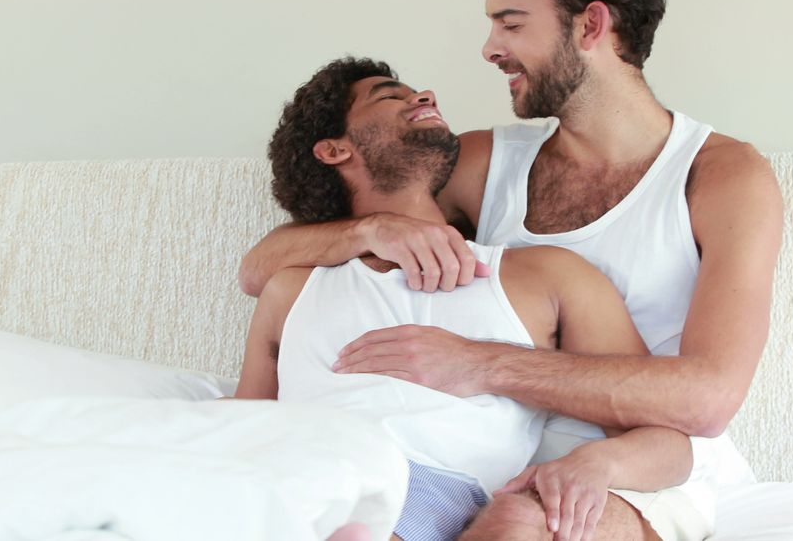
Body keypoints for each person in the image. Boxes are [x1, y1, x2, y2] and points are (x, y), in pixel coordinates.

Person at [235, 57, 697, 541]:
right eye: (389, 95)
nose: (424, 96)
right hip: (296, 474)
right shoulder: (292, 288)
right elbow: (244, 423)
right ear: (334, 150)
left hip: (431, 497)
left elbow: (668, 443)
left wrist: (599, 462)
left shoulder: (546, 277)